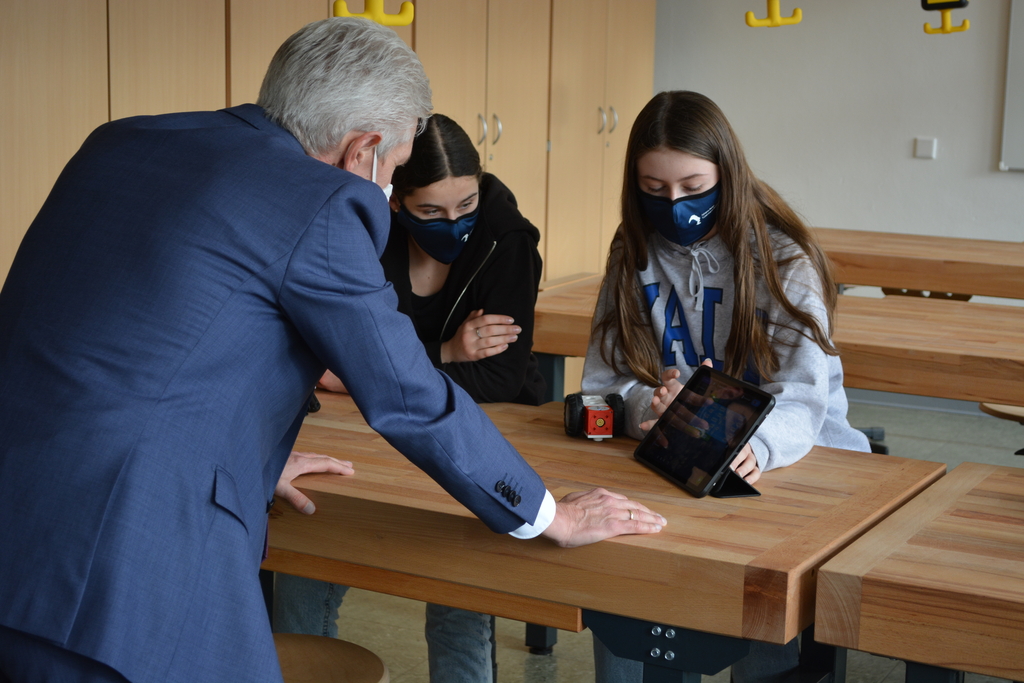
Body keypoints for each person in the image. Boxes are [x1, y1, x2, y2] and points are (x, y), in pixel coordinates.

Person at [0, 19, 665, 683]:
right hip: (116, 575)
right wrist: (547, 510)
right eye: (399, 166)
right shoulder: (318, 202)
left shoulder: (121, 141)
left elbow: (113, 340)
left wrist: (242, 451)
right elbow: (406, 393)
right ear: (365, 151)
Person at [581, 91, 870, 683]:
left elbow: (807, 398)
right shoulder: (632, 249)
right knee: (623, 586)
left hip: (790, 467)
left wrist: (750, 444)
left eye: (693, 186)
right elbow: (606, 382)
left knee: (768, 622)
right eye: (654, 190)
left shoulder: (784, 258)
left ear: (728, 175)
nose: (676, 205)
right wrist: (651, 411)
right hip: (670, 460)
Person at [276, 113, 545, 682]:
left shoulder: (506, 240)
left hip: (477, 430)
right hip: (360, 430)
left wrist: (369, 368)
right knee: (303, 547)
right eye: (432, 212)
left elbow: (499, 379)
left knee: (459, 583)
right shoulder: (362, 226)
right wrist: (444, 353)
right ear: (397, 201)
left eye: (466, 207)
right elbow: (320, 351)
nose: (454, 224)